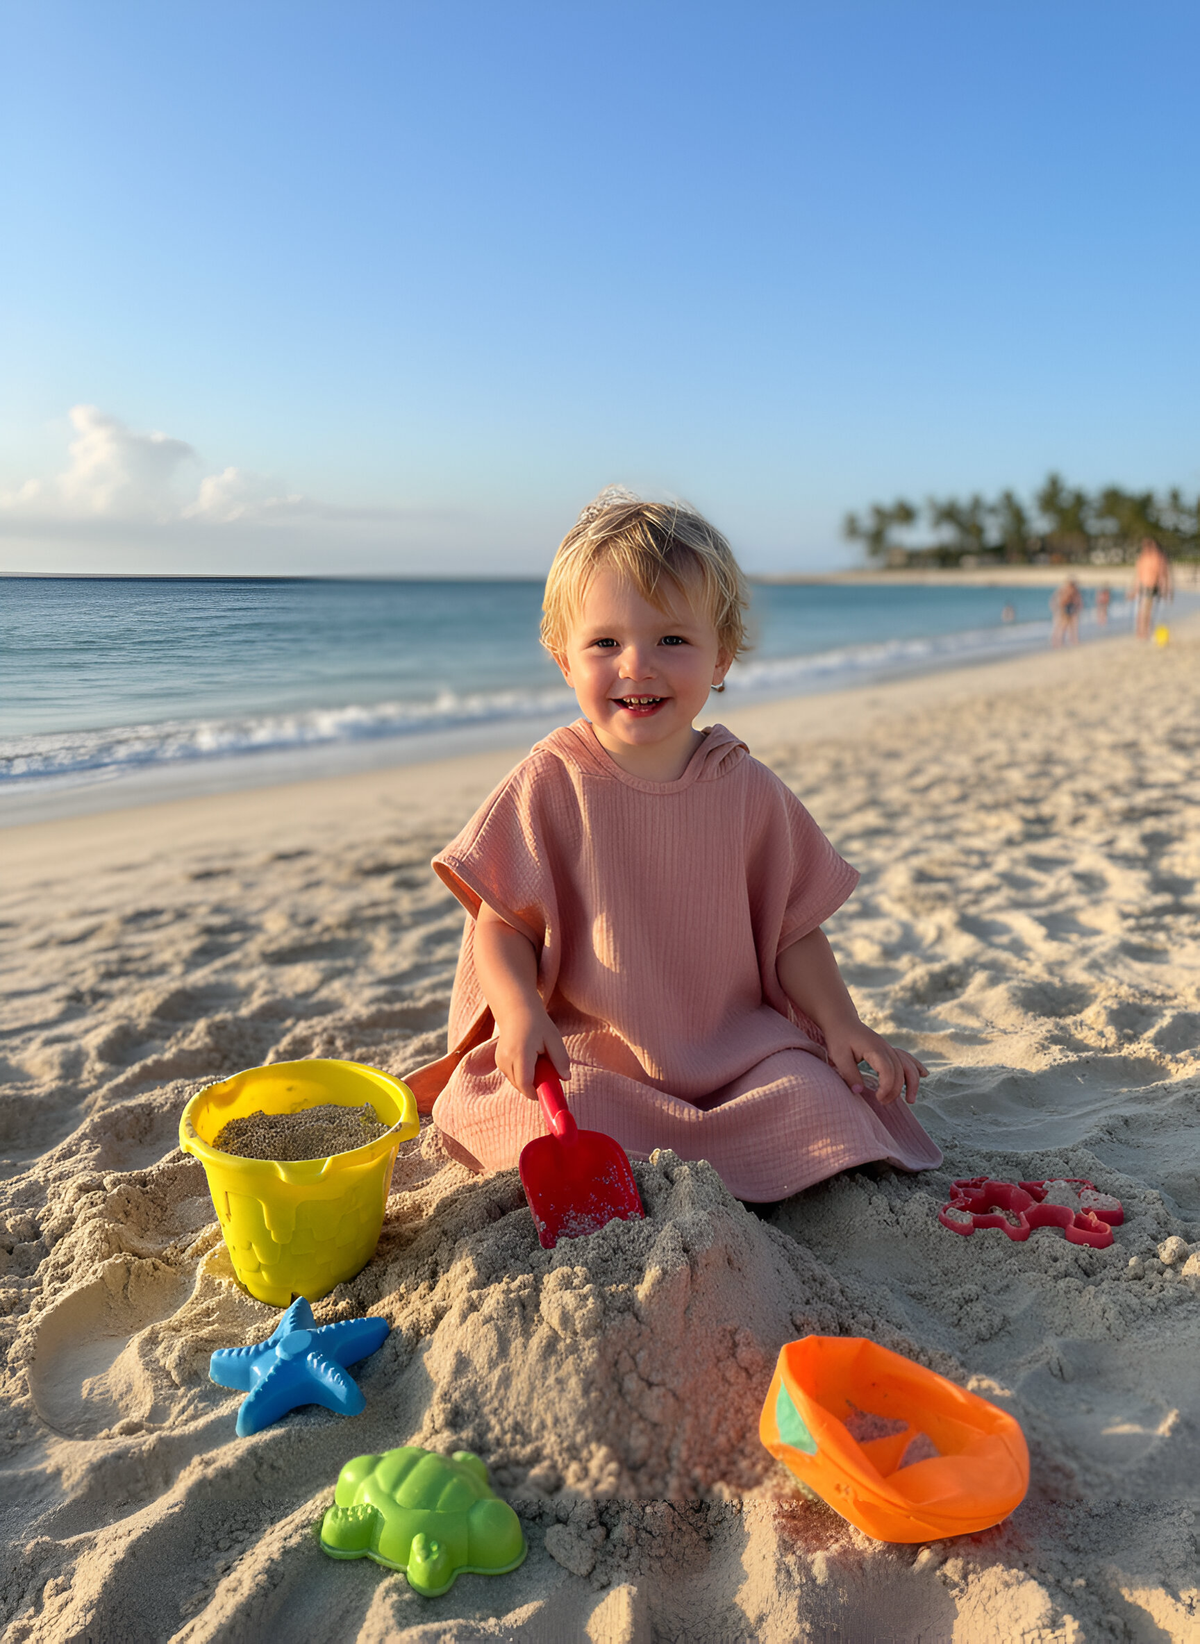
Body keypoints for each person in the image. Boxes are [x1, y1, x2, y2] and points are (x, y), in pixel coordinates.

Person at [407, 491, 941, 1205]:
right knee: (538, 1110)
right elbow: (499, 924)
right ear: (564, 659)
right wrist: (516, 1012)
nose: (638, 666)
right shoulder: (550, 782)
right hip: (598, 1050)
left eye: (672, 641)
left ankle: (749, 1140)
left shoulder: (746, 788)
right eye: (605, 644)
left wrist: (842, 1023)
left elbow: (793, 931)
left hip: (730, 1054)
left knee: (818, 1094)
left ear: (721, 656)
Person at [1132, 537, 1173, 640]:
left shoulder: (1159, 558)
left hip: (1152, 588)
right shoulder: (1142, 558)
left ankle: (1146, 633)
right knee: (1140, 612)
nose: (1146, 547)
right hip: (1143, 587)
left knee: (1148, 611)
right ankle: (1141, 632)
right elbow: (1138, 575)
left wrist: (1167, 589)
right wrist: (1134, 589)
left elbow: (1164, 575)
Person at [1050, 578, 1083, 646]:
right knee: (1062, 625)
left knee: (1072, 625)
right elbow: (1058, 600)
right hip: (1064, 608)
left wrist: (1078, 607)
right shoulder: (1065, 589)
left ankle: (1072, 640)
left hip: (1070, 607)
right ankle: (1057, 640)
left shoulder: (1074, 590)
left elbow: (1078, 600)